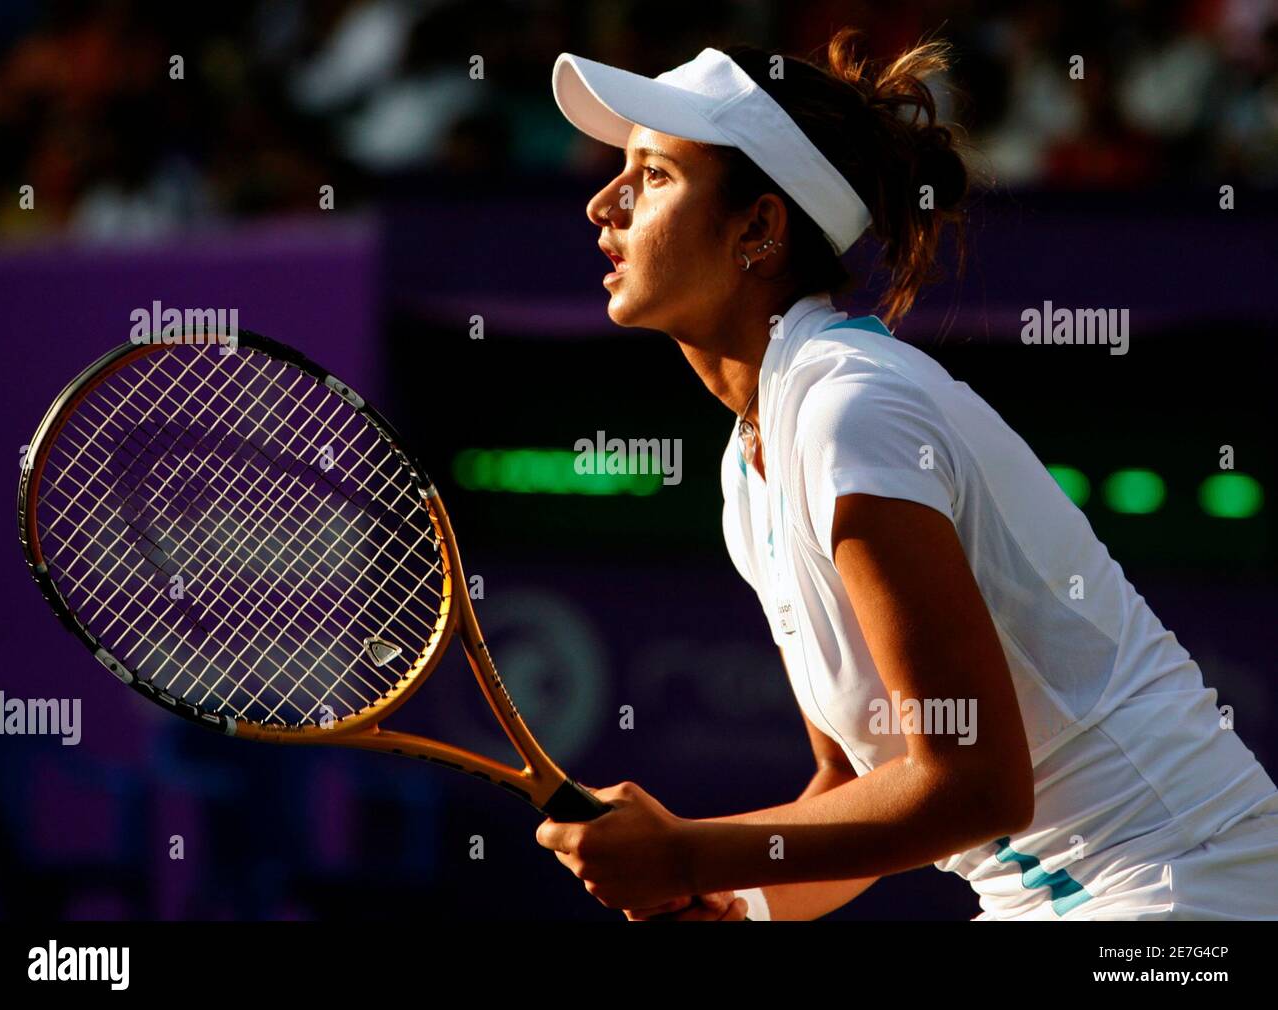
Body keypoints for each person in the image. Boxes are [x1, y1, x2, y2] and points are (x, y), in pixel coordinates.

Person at [535, 29, 1278, 921]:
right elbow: (854, 779)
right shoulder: (750, 466)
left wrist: (684, 850)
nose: (600, 204)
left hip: (1188, 888)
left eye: (653, 176)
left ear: (759, 230)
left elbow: (974, 786)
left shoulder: (854, 411)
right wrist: (739, 902)